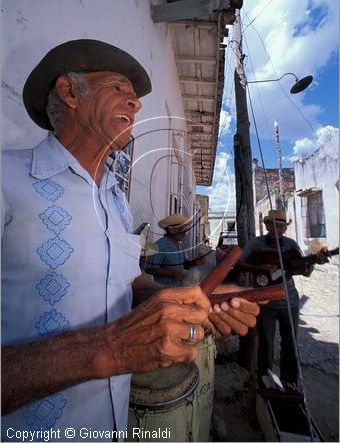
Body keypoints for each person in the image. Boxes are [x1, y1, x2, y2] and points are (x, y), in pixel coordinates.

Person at [1, 39, 260, 441]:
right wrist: (112, 349)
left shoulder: (116, 203)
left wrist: (181, 302)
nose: (136, 104)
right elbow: (114, 343)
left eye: (135, 96)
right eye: (118, 88)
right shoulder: (6, 182)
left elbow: (126, 284)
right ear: (70, 93)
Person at [237, 209, 329, 387]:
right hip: (265, 302)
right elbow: (239, 263)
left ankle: (290, 382)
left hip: (290, 302)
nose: (276, 229)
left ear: (285, 229)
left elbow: (304, 271)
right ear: (266, 226)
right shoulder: (255, 244)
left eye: (280, 226)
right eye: (272, 225)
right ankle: (265, 381)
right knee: (266, 345)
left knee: (290, 344)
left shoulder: (291, 245)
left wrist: (312, 262)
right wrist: (259, 269)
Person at [144, 214, 206, 287]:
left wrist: (195, 262)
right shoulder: (159, 246)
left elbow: (183, 264)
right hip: (164, 291)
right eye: (182, 229)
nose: (184, 232)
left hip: (178, 289)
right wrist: (172, 273)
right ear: (171, 230)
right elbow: (149, 268)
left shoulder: (180, 246)